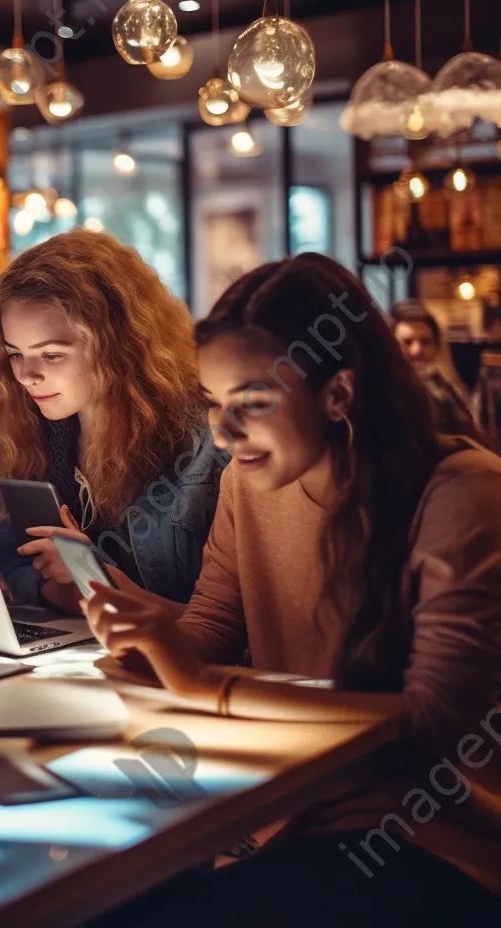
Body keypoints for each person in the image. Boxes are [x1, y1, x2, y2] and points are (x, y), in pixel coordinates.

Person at [83, 253, 501, 926]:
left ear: (338, 394)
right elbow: (214, 622)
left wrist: (200, 684)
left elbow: (436, 726)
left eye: (252, 402)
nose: (223, 435)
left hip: (439, 829)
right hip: (298, 808)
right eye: (215, 404)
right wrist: (143, 653)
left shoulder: (462, 491)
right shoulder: (248, 482)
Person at [0, 230, 225, 610]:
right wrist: (74, 588)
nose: (26, 376)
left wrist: (96, 577)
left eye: (51, 355)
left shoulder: (202, 441)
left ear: (117, 347)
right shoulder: (33, 427)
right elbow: (16, 556)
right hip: (86, 652)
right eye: (15, 354)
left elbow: (225, 632)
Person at [390, 299, 481, 439]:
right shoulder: (390, 391)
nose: (417, 350)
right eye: (407, 342)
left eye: (426, 342)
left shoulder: (440, 383)